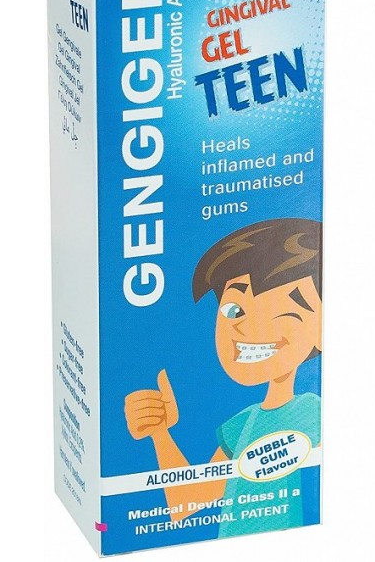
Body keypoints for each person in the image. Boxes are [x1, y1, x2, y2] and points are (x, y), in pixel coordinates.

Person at [124, 218, 322, 537]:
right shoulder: (242, 425)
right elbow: (185, 503)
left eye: (283, 312)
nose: (246, 327)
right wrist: (160, 433)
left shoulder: (311, 411)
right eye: (234, 310)